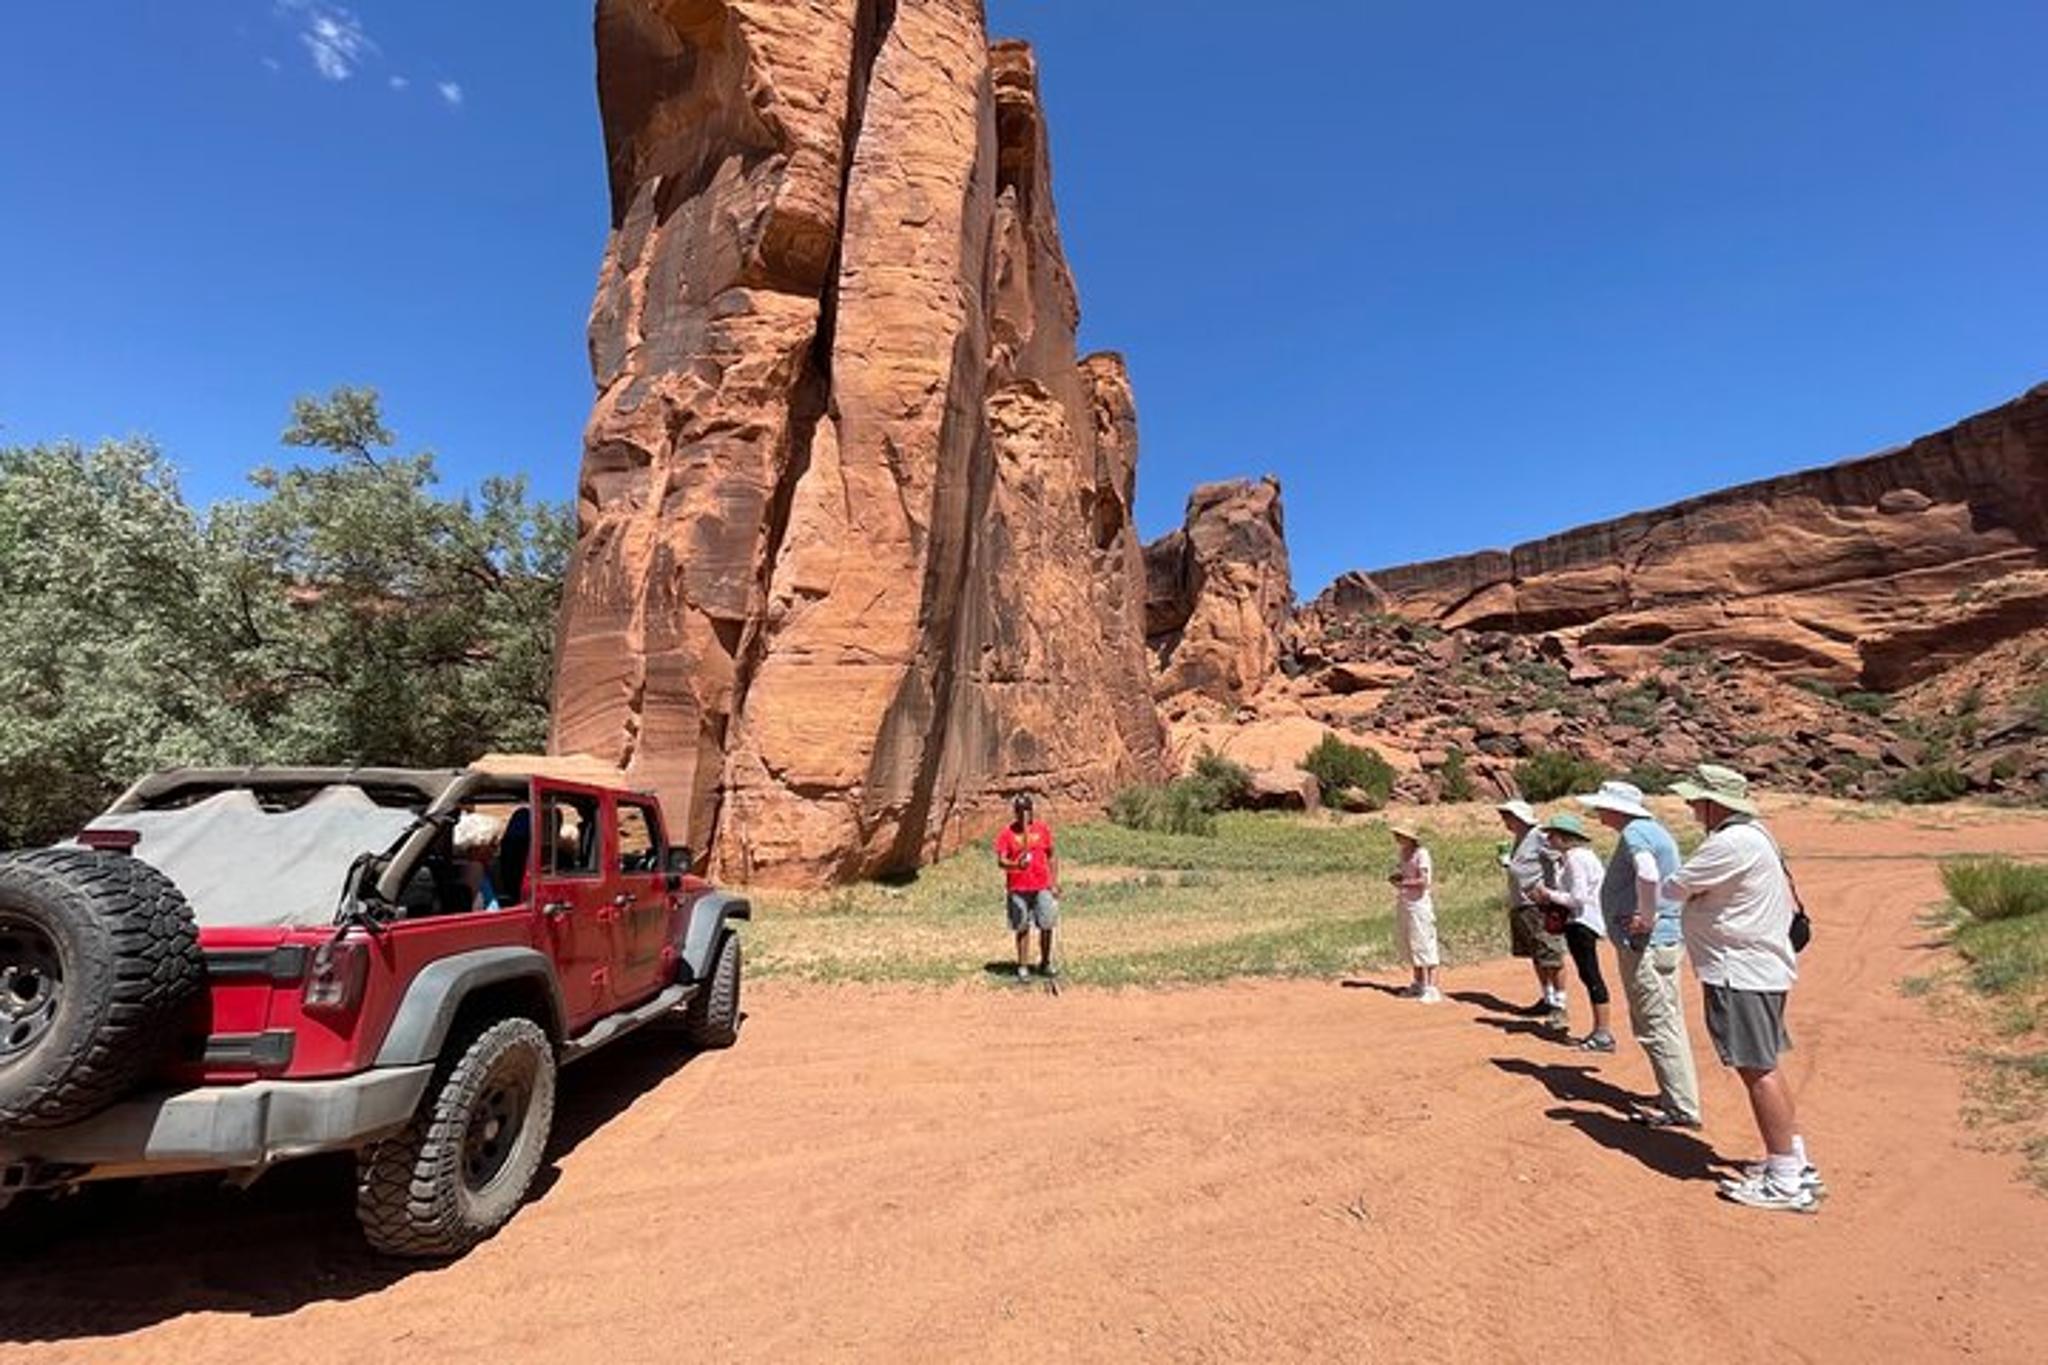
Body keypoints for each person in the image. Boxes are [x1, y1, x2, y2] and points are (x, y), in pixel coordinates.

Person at [1666, 764, 1821, 1213]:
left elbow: (1677, 887)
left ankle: (1785, 1178)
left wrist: (1694, 898)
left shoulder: (1730, 842)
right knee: (1766, 1064)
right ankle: (1793, 1159)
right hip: (1757, 967)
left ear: (1717, 803)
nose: (1692, 807)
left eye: (1697, 800)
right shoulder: (1756, 834)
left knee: (1757, 1070)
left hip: (1739, 970)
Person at [1576, 779, 1700, 1129]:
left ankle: (1679, 1107)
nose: (1598, 811)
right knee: (1667, 1018)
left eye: (1602, 805)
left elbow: (1647, 873)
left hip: (1646, 943)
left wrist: (1646, 918)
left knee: (1654, 1022)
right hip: (1665, 939)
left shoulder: (1636, 833)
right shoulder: (1653, 830)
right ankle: (1677, 1095)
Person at [1532, 812, 1614, 1051]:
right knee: (1589, 975)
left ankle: (1603, 1033)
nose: (1548, 838)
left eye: (1552, 834)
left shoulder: (1576, 858)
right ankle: (1601, 1031)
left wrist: (1548, 894)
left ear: (1563, 837)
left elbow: (1577, 898)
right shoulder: (1578, 857)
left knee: (1591, 975)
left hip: (1582, 921)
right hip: (1584, 920)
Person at [1499, 800, 1568, 1026]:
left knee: (1551, 954)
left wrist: (1556, 891)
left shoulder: (1538, 835)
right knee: (1537, 955)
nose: (1505, 821)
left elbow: (1560, 856)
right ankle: (1547, 998)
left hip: (1541, 906)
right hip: (1523, 905)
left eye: (1507, 816)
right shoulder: (1520, 838)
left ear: (1519, 817)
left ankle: (1560, 1004)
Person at [995, 794, 1061, 980]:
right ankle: (1023, 966)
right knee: (1022, 927)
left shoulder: (1042, 829)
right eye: (1021, 811)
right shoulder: (1007, 833)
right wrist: (1016, 866)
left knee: (1046, 924)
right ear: (1015, 812)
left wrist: (1054, 883)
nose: (1025, 814)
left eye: (1027, 810)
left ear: (1032, 810)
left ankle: (1046, 963)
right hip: (1018, 888)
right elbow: (1001, 861)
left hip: (1042, 886)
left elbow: (1052, 856)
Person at [1386, 823, 1441, 1002]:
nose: (1397, 838)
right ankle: (1418, 983)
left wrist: (1404, 883)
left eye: (1400, 835)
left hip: (1419, 905)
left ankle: (1432, 987)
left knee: (1425, 942)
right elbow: (1407, 875)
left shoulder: (1422, 854)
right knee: (1410, 941)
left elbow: (1424, 881)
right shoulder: (1403, 853)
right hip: (1406, 902)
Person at [452, 811, 507, 911]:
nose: (496, 850)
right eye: (492, 845)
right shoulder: (475, 868)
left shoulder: (479, 867)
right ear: (477, 845)